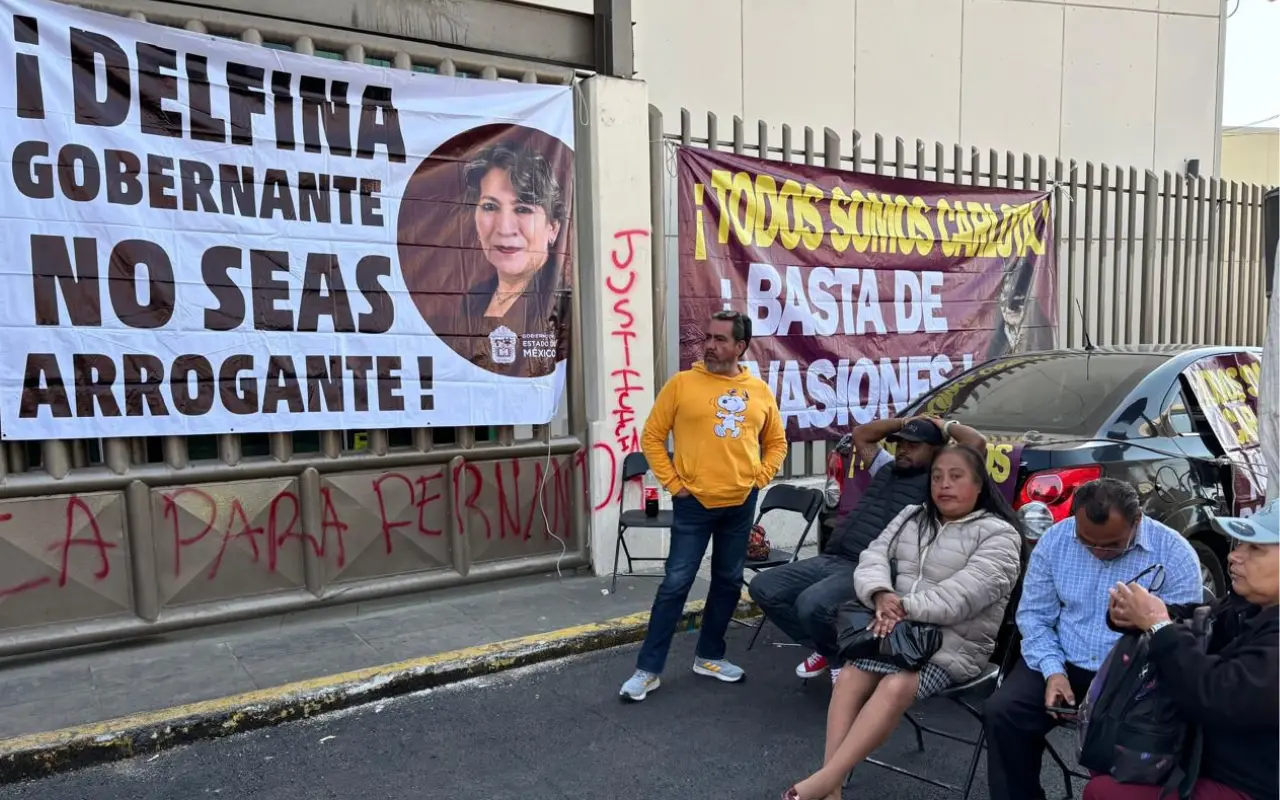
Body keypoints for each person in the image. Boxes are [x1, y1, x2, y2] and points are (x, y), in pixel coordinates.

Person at [782, 444, 1023, 800]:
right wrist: (880, 593)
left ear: (979, 485)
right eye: (937, 477)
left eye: (956, 477)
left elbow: (963, 596)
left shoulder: (1000, 535)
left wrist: (901, 608)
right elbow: (873, 556)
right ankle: (831, 791)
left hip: (953, 645)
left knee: (896, 685)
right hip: (896, 633)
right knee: (849, 675)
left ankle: (823, 781)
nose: (944, 485)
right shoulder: (913, 516)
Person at [984, 478, 1203, 800]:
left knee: (1129, 736)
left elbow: (1183, 634)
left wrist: (1147, 622)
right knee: (1003, 712)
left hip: (1133, 673)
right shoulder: (1056, 539)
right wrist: (1053, 671)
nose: (1099, 551)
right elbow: (1034, 615)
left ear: (1137, 520)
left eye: (1113, 544)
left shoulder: (1174, 552)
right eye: (1087, 542)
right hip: (1065, 656)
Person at [619, 310, 788, 701]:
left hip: (740, 503)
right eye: (707, 337)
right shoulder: (682, 384)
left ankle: (710, 655)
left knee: (728, 581)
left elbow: (777, 442)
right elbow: (652, 436)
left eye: (720, 339)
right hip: (693, 504)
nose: (709, 346)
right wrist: (674, 485)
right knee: (676, 583)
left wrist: (759, 478)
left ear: (740, 346)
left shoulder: (759, 391)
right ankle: (648, 670)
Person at [749, 415, 988, 684]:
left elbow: (977, 443)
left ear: (936, 452)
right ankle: (833, 649)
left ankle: (839, 661)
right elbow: (861, 434)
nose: (903, 450)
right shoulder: (886, 467)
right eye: (900, 444)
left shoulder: (936, 482)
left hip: (869, 567)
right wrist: (906, 422)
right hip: (835, 556)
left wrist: (942, 425)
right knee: (763, 587)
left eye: (913, 446)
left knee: (811, 604)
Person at [1082, 498, 1279, 800]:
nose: (1234, 556)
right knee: (1104, 756)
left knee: (1102, 791)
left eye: (1255, 548)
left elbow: (1216, 694)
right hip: (1197, 754)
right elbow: (1200, 618)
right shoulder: (1250, 605)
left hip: (1246, 782)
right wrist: (1138, 615)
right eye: (1240, 543)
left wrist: (1159, 625)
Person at [460, 142, 570, 376]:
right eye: (490, 206)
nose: (504, 228)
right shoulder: (471, 301)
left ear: (553, 228)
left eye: (523, 209)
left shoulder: (566, 306)